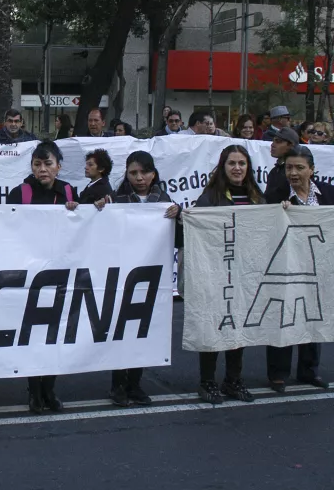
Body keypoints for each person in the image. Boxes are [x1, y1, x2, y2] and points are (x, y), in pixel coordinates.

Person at [98, 151, 181, 408]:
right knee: (121, 330)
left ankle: (135, 384)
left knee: (142, 331)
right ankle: (117, 385)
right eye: (133, 173)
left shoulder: (165, 201)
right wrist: (100, 208)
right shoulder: (117, 199)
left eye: (144, 172)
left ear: (153, 174)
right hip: (123, 276)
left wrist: (178, 216)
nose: (139, 177)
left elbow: (178, 240)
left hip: (151, 276)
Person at [6, 141, 78, 413]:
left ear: (59, 166)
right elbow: (5, 228)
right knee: (32, 334)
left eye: (48, 164)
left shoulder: (69, 191)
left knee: (54, 334)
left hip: (59, 272)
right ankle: (34, 391)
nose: (42, 169)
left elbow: (84, 228)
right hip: (29, 273)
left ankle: (49, 388)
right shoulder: (20, 192)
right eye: (37, 164)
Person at [192, 146, 265, 403]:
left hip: (244, 274)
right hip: (216, 274)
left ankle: (233, 380)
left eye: (242, 163)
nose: (237, 168)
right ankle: (207, 381)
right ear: (223, 167)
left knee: (238, 328)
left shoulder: (257, 197)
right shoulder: (210, 197)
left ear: (248, 167)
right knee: (213, 326)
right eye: (232, 163)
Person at [269, 146, 331, 392]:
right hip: (287, 266)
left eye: (299, 168)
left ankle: (308, 370)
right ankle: (278, 373)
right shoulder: (277, 194)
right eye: (289, 168)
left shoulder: (328, 193)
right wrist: (278, 212)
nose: (293, 173)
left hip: (319, 267)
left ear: (311, 170)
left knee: (313, 317)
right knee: (284, 317)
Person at [264, 127, 299, 204]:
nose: (272, 145)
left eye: (278, 141)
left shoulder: (296, 173)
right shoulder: (274, 172)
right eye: (273, 141)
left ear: (291, 145)